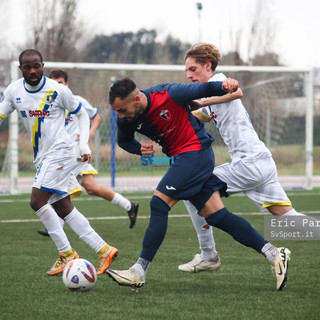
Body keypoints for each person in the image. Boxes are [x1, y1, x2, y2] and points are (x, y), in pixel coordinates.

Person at [105, 77, 291, 291]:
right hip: (182, 159)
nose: (120, 115)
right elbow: (123, 140)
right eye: (117, 112)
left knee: (158, 204)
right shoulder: (126, 119)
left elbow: (202, 88)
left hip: (196, 153)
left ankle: (139, 271)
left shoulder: (168, 94)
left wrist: (224, 86)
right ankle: (273, 253)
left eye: (122, 110)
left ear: (136, 100)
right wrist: (139, 149)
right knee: (215, 215)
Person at [178, 42, 304, 275]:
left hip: (250, 164)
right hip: (262, 161)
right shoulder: (209, 93)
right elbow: (196, 116)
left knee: (190, 186)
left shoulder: (220, 81)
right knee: (291, 220)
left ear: (208, 65)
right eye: (186, 70)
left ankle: (208, 255)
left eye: (193, 69)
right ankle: (208, 255)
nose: (188, 75)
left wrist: (207, 99)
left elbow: (235, 90)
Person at [0, 49, 118, 276]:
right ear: (21, 69)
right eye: (27, 67)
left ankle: (67, 253)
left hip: (62, 152)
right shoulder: (14, 91)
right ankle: (103, 249)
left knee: (36, 201)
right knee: (63, 207)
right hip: (43, 157)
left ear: (42, 65)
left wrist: (84, 144)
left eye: (36, 66)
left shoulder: (58, 90)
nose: (33, 71)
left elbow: (83, 114)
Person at [37, 69, 139, 237]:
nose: (57, 86)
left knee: (57, 186)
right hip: (61, 154)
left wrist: (88, 134)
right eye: (54, 83)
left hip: (75, 154)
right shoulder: (48, 105)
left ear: (67, 84)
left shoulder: (76, 101)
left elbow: (96, 117)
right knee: (91, 188)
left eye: (60, 83)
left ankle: (57, 226)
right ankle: (129, 206)